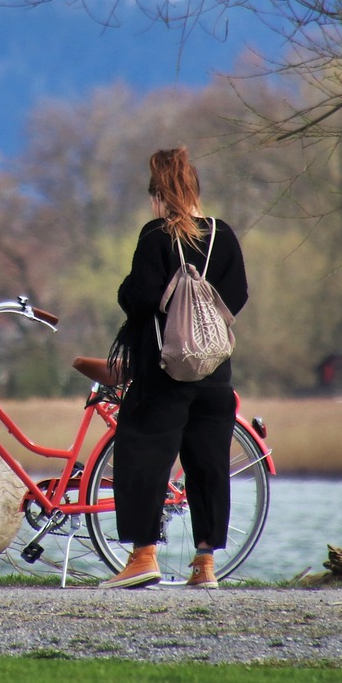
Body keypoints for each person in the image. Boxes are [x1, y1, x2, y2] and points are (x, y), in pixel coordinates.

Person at [101, 147, 248, 589]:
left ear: (158, 196)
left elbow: (138, 298)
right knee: (207, 464)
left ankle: (144, 555)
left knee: (142, 455)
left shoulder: (156, 237)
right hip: (213, 374)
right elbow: (236, 296)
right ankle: (205, 565)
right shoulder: (224, 236)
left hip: (162, 372)